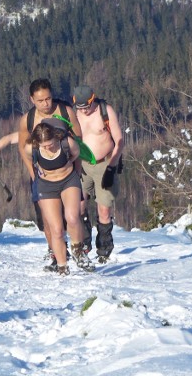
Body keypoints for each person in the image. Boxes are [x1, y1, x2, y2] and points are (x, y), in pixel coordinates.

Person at [18, 78, 82, 261]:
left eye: (48, 98)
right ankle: (55, 253)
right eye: (40, 100)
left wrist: (77, 169)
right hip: (42, 176)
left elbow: (78, 141)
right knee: (48, 219)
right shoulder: (28, 120)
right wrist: (33, 174)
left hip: (67, 172)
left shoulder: (65, 111)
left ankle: (80, 247)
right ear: (32, 99)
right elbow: (23, 148)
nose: (46, 104)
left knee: (74, 214)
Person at [25, 121, 94, 274]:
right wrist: (35, 174)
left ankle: (78, 251)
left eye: (50, 144)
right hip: (46, 186)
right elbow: (28, 159)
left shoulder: (66, 143)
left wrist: (72, 169)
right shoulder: (32, 148)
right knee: (56, 228)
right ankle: (62, 266)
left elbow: (76, 155)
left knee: (72, 217)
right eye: (43, 146)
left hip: (68, 180)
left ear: (56, 137)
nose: (48, 148)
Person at [73, 85, 124, 264]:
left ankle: (104, 249)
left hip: (105, 163)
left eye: (86, 107)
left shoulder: (104, 111)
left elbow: (119, 140)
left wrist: (112, 167)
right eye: (80, 108)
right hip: (82, 165)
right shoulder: (74, 114)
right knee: (78, 207)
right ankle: (84, 245)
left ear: (92, 99)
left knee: (104, 209)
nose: (84, 111)